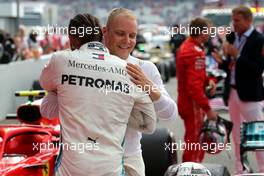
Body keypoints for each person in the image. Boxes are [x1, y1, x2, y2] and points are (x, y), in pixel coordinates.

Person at [39, 13, 156, 176]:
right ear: (101, 34)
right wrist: (118, 110)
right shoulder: (127, 69)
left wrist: (68, 86)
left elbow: (45, 87)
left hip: (70, 170)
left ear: (71, 38)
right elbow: (149, 125)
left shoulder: (61, 60)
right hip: (111, 169)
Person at [103, 8, 178, 176]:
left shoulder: (145, 68)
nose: (127, 41)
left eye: (132, 35)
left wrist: (149, 87)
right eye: (120, 33)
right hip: (95, 160)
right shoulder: (88, 66)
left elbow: (170, 115)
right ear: (105, 32)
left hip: (131, 159)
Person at [212, 5, 264, 174]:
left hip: (250, 95)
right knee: (236, 135)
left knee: (257, 135)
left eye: (237, 21)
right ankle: (239, 169)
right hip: (233, 92)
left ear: (249, 20)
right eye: (232, 20)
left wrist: (238, 56)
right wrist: (222, 61)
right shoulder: (233, 37)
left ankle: (262, 168)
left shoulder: (259, 39)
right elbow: (231, 66)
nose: (234, 24)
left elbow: (258, 69)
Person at [176, 17, 218, 163]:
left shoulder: (190, 46)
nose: (210, 33)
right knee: (194, 144)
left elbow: (196, 76)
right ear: (202, 32)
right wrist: (208, 109)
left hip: (189, 102)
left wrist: (209, 81)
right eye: (208, 30)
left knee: (196, 142)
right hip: (192, 104)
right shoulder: (193, 51)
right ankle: (190, 171)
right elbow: (193, 87)